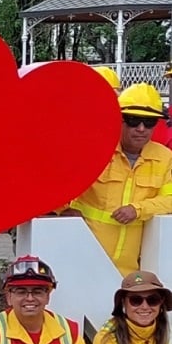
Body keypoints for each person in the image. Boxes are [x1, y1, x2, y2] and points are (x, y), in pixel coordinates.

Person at [61, 83, 172, 275]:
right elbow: (55, 184)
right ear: (118, 119)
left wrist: (138, 209)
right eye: (133, 120)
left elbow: (169, 200)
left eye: (149, 122)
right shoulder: (94, 150)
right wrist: (62, 210)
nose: (141, 128)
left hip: (130, 266)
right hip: (82, 252)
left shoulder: (165, 158)